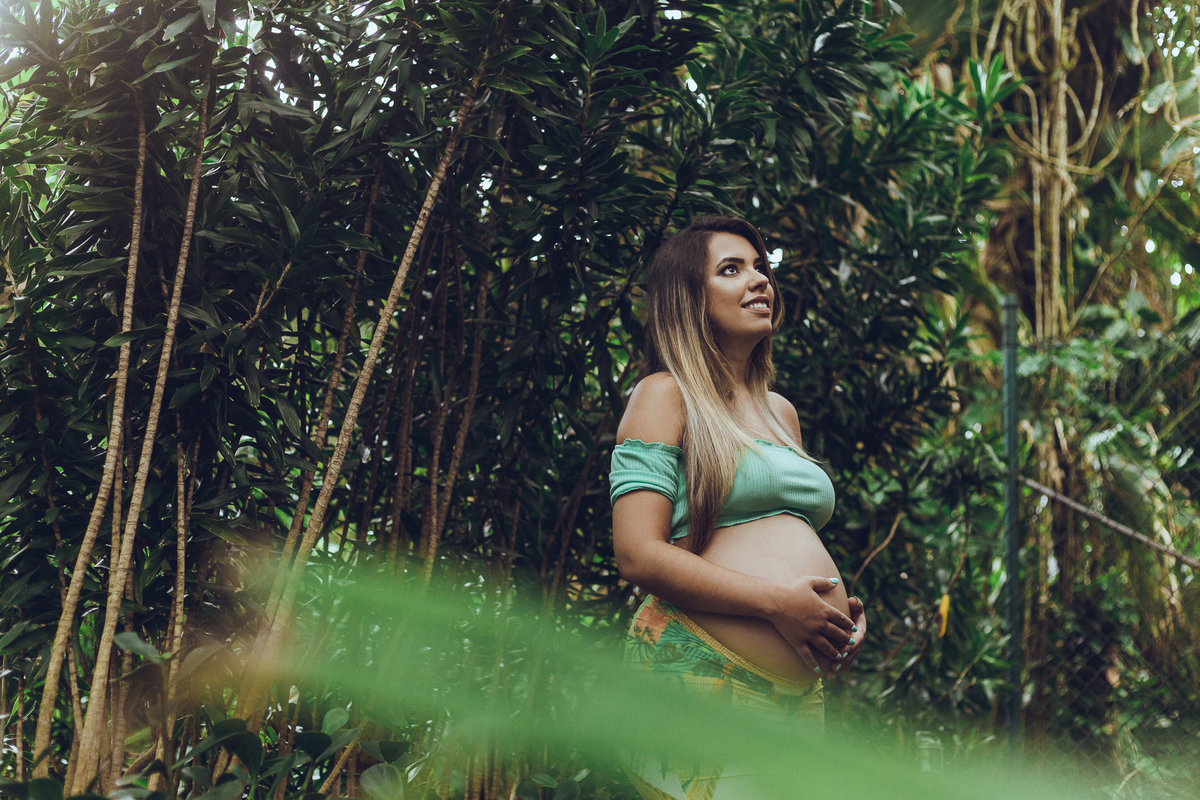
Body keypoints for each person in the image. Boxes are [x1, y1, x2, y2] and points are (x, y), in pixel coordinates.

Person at [609, 215, 867, 799]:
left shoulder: (781, 412)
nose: (759, 280)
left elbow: (779, 534)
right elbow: (637, 554)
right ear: (689, 299)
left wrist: (833, 620)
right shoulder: (664, 395)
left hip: (796, 698)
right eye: (731, 269)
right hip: (695, 672)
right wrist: (779, 603)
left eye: (760, 267)